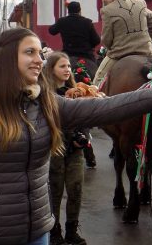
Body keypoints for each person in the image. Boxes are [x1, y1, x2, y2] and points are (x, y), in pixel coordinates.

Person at [0, 28, 152, 245]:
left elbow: (108, 107)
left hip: (39, 230)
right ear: (6, 57)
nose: (39, 60)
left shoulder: (45, 102)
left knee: (101, 79)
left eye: (40, 53)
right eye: (29, 52)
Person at [49, 1, 100, 168]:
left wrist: (61, 24)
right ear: (80, 10)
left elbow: (51, 30)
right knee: (101, 78)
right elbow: (96, 40)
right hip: (87, 58)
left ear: (68, 10)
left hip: (68, 56)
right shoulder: (86, 22)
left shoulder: (63, 21)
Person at [44, 52, 87, 245]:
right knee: (55, 191)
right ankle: (54, 232)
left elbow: (85, 117)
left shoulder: (78, 91)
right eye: (62, 66)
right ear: (51, 69)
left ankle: (72, 230)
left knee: (76, 189)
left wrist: (82, 136)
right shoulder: (45, 93)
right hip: (55, 150)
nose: (67, 69)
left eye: (69, 66)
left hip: (75, 151)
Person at [93, 0, 152, 85]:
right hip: (147, 51)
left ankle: (95, 99)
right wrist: (144, 39)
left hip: (119, 53)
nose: (103, 0)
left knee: (98, 80)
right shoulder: (140, 3)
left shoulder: (107, 11)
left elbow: (106, 40)